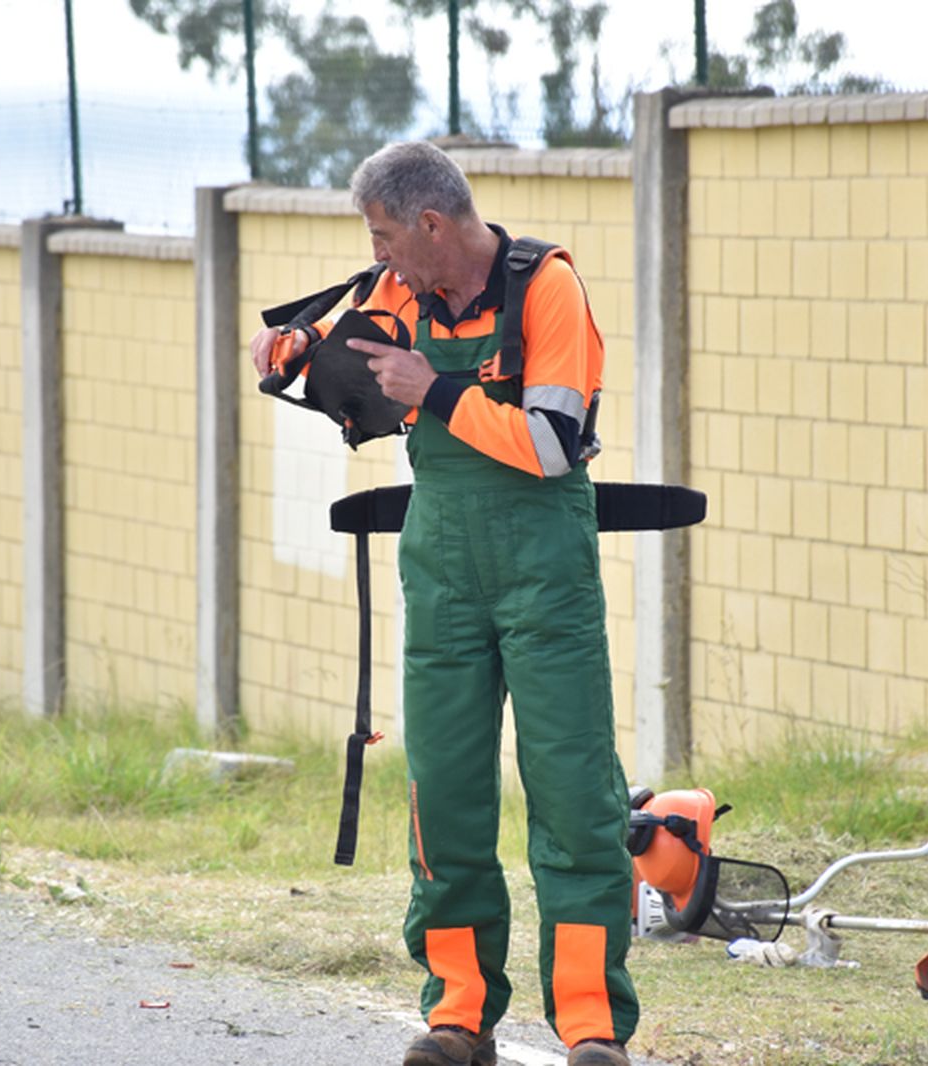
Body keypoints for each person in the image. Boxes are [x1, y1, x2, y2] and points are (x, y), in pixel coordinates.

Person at [249, 141, 637, 1066]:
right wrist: (298, 353)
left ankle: (590, 1026)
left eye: (385, 236)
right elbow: (349, 362)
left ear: (431, 224)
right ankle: (458, 1015)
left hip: (547, 580)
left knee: (576, 800)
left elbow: (552, 441)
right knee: (446, 799)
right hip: (443, 579)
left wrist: (438, 391)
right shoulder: (400, 294)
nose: (377, 256)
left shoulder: (547, 290)